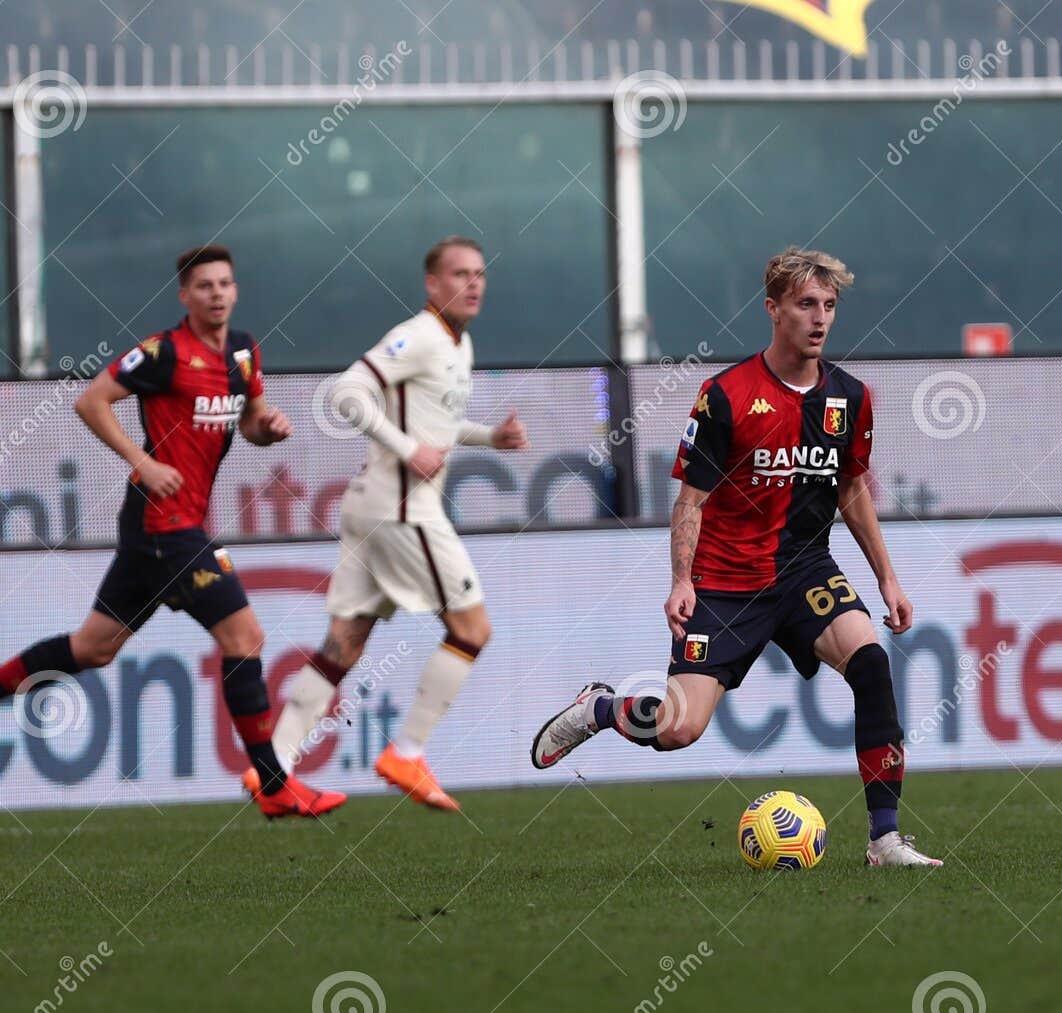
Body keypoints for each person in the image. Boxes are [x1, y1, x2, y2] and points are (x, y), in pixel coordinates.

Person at [532, 246, 941, 867]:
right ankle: (603, 708)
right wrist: (680, 581)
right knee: (677, 730)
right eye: (806, 304)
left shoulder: (850, 399)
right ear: (773, 309)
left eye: (829, 305)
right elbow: (690, 501)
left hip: (805, 572)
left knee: (872, 665)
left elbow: (852, 489)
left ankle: (884, 839)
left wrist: (888, 578)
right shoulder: (725, 395)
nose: (820, 317)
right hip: (725, 584)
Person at [0, 245, 344, 819]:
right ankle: (274, 784)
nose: (216, 294)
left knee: (93, 648)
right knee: (245, 639)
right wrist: (143, 460)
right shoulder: (163, 354)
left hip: (167, 528)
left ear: (235, 291)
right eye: (204, 285)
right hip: (164, 524)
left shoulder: (243, 351)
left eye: (224, 284)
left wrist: (269, 428)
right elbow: (92, 401)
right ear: (185, 295)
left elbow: (252, 421)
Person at [267, 236, 526, 812]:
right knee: (471, 629)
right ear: (432, 284)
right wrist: (406, 449)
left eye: (480, 273)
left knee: (344, 643)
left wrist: (490, 438)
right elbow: (346, 392)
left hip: (373, 505)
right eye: (460, 273)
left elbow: (436, 421)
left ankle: (273, 768)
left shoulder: (459, 343)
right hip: (401, 507)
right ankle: (406, 752)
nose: (474, 283)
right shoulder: (420, 336)